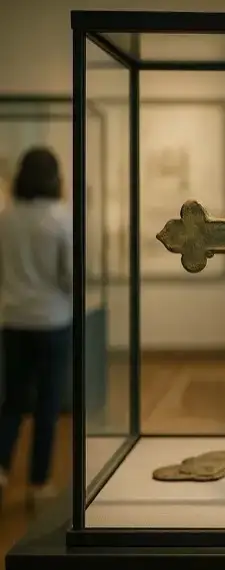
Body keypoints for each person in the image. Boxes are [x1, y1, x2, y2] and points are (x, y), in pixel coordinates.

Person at [0, 147, 72, 508]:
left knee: (12, 401)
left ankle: (0, 469)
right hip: (52, 321)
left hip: (13, 319)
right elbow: (70, 276)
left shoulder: (6, 217)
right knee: (47, 403)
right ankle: (39, 482)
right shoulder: (61, 219)